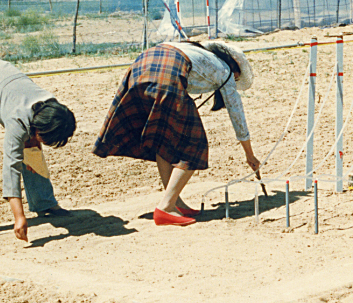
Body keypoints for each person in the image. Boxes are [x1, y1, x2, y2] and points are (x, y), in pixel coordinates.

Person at [93, 40, 261, 226]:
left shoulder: (198, 54)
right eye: (238, 76)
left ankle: (175, 203)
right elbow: (236, 113)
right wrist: (249, 154)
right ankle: (166, 206)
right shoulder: (225, 71)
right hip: (166, 74)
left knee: (164, 137)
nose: (236, 80)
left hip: (139, 68)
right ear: (233, 66)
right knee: (195, 144)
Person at [0, 58, 77, 241]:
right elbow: (11, 167)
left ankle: (44, 203)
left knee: (32, 148)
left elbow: (33, 138)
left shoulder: (52, 107)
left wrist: (33, 146)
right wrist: (19, 217)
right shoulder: (18, 119)